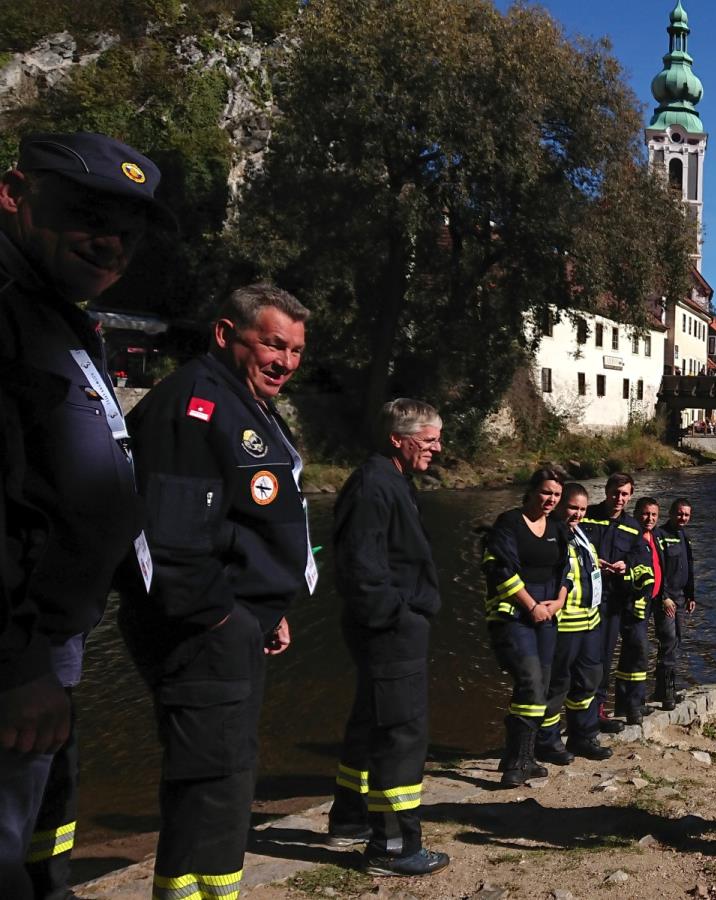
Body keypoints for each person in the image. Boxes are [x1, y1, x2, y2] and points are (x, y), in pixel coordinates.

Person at [0, 132, 173, 899]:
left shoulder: (59, 314)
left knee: (34, 837)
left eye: (129, 232)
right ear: (15, 193)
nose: (112, 243)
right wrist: (19, 661)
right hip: (17, 659)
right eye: (88, 215)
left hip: (52, 643)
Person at [118, 283, 314, 900]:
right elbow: (172, 546)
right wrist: (229, 619)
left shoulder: (242, 400)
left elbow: (238, 522)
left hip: (234, 622)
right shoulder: (194, 406)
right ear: (226, 334)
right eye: (273, 345)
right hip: (204, 632)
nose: (285, 361)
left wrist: (269, 607)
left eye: (297, 351)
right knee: (217, 781)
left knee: (213, 776)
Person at [324, 399, 448, 876]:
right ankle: (395, 848)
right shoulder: (375, 485)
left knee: (370, 721)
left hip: (389, 629)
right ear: (399, 438)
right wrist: (400, 618)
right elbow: (362, 568)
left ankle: (349, 819)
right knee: (402, 734)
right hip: (391, 631)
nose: (437, 448)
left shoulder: (388, 479)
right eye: (430, 439)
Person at [480, 469, 568, 787]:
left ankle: (523, 756)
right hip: (515, 615)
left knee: (540, 686)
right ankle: (516, 762)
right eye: (546, 493)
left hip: (547, 614)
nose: (551, 500)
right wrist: (531, 605)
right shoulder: (509, 523)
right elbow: (499, 570)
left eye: (556, 495)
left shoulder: (558, 527)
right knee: (529, 680)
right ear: (530, 491)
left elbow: (565, 571)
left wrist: (557, 603)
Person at [534, 483, 612, 765]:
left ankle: (583, 736)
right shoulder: (552, 535)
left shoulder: (579, 534)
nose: (577, 513)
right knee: (557, 685)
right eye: (572, 508)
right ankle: (547, 742)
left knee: (589, 681)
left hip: (590, 621)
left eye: (582, 509)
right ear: (559, 506)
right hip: (565, 624)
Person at [579, 474, 653, 729]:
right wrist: (590, 560)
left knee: (603, 657)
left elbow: (642, 560)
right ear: (606, 491)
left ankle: (598, 710)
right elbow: (567, 542)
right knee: (577, 658)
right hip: (583, 599)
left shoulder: (633, 527)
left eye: (624, 494)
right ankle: (576, 714)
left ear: (630, 496)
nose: (619, 498)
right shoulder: (585, 516)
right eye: (615, 493)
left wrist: (627, 565)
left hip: (612, 603)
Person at [654, 498, 698, 711]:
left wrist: (691, 596)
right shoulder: (659, 536)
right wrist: (663, 597)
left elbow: (689, 567)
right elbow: (657, 569)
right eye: (679, 513)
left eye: (686, 515)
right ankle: (664, 692)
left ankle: (667, 686)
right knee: (668, 640)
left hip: (681, 598)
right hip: (667, 599)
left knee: (677, 640)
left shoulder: (684, 536)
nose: (683, 518)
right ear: (670, 513)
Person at [625, 497, 665, 719]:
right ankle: (632, 704)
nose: (649, 519)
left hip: (653, 601)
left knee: (638, 652)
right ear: (636, 513)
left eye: (653, 515)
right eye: (645, 514)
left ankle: (634, 701)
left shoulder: (656, 536)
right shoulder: (632, 536)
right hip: (636, 603)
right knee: (638, 652)